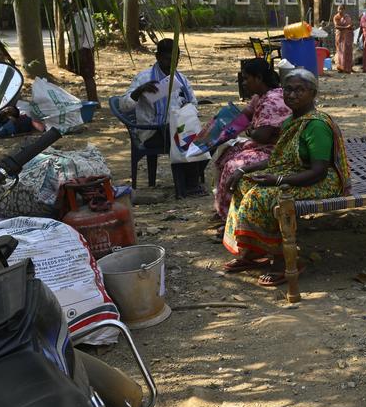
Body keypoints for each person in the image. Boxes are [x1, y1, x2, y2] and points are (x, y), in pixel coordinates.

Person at [222, 69, 352, 286]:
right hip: (296, 173)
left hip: (321, 182)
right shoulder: (291, 120)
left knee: (262, 196)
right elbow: (278, 159)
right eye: (288, 89)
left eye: (299, 90)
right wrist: (244, 170)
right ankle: (253, 252)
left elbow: (318, 171)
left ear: (313, 93)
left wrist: (279, 181)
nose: (292, 95)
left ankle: (283, 261)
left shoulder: (316, 125)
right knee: (244, 184)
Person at [119, 38, 205, 195]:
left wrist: (186, 109)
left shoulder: (181, 79)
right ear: (158, 57)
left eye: (175, 60)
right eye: (167, 60)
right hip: (152, 132)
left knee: (205, 137)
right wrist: (139, 91)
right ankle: (188, 185)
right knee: (180, 137)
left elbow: (194, 103)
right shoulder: (144, 78)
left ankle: (191, 180)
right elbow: (123, 106)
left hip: (178, 127)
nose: (171, 64)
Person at [212, 59, 291, 219]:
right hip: (263, 145)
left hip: (277, 151)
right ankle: (223, 210)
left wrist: (250, 131)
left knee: (232, 166)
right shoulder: (260, 97)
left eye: (247, 78)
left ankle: (232, 217)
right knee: (225, 153)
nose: (244, 83)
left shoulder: (273, 101)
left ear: (259, 78)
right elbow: (245, 116)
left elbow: (262, 136)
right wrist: (220, 129)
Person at [69, 0, 98, 103]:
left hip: (84, 50)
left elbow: (88, 35)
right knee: (86, 76)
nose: (70, 3)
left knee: (88, 76)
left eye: (72, 0)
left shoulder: (84, 16)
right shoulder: (78, 15)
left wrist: (84, 51)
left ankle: (94, 101)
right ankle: (93, 100)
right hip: (79, 49)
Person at [333, 4, 355, 73]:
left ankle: (348, 67)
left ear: (344, 10)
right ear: (337, 9)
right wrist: (346, 27)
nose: (340, 10)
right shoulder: (336, 17)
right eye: (339, 9)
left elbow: (350, 24)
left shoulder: (347, 16)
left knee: (348, 51)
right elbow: (336, 26)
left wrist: (351, 27)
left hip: (348, 36)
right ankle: (341, 67)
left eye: (342, 9)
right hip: (340, 37)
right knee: (341, 51)